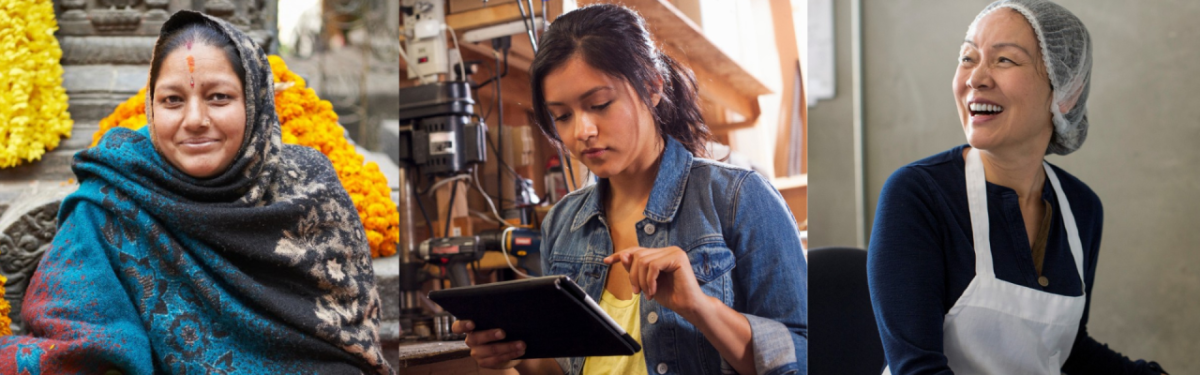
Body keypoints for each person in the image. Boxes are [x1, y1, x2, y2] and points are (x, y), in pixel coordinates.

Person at [0, 11, 393, 375]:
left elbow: (350, 347)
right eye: (172, 100)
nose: (195, 120)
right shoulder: (110, 200)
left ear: (255, 101)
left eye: (218, 97)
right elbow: (73, 343)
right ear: (151, 110)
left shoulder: (309, 188)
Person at [451, 4, 807, 375]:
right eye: (562, 116)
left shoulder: (740, 199)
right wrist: (512, 355)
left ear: (652, 86)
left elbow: (805, 355)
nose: (581, 131)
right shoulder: (562, 222)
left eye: (599, 104)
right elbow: (573, 366)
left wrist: (700, 307)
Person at [867, 1, 1165, 374]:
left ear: (1066, 92)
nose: (976, 78)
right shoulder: (917, 195)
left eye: (1004, 60)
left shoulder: (1082, 209)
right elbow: (917, 368)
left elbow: (1067, 349)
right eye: (967, 58)